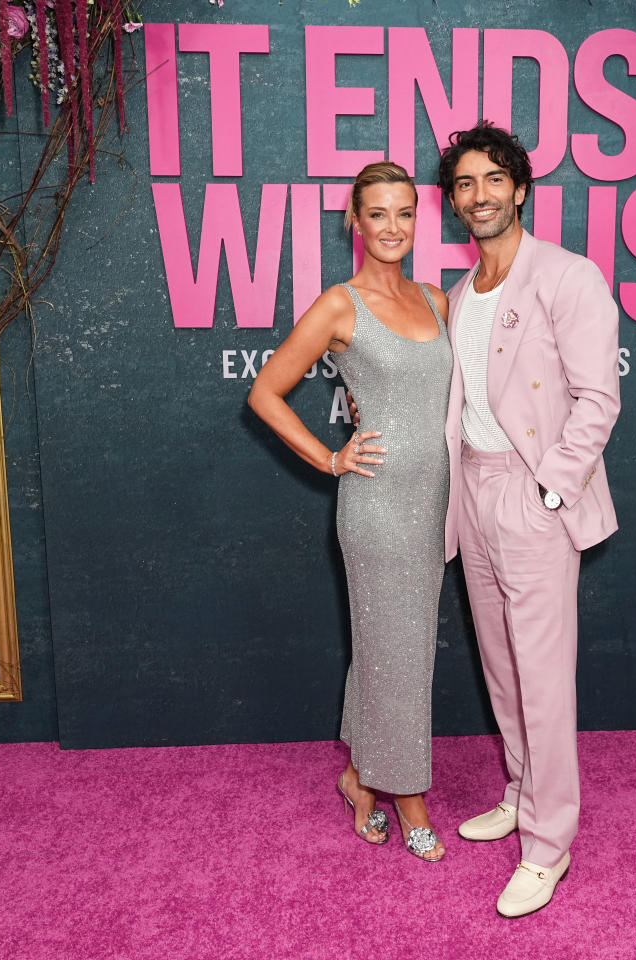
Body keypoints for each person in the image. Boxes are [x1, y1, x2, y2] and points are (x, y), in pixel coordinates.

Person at [438, 122, 621, 915]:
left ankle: (549, 846)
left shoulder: (567, 276)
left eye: (492, 180)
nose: (478, 196)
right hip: (471, 492)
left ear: (520, 187)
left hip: (532, 493)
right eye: (464, 185)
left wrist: (550, 490)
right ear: (454, 201)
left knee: (543, 678)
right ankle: (521, 792)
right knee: (502, 667)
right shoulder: (456, 294)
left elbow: (598, 398)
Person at [247, 161, 452, 862]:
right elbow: (266, 394)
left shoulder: (436, 299)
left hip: (432, 507)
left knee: (394, 649)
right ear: (354, 222)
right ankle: (410, 794)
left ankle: (360, 778)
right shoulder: (341, 304)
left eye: (404, 213)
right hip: (377, 507)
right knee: (398, 650)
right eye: (377, 214)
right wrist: (331, 459)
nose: (392, 227)